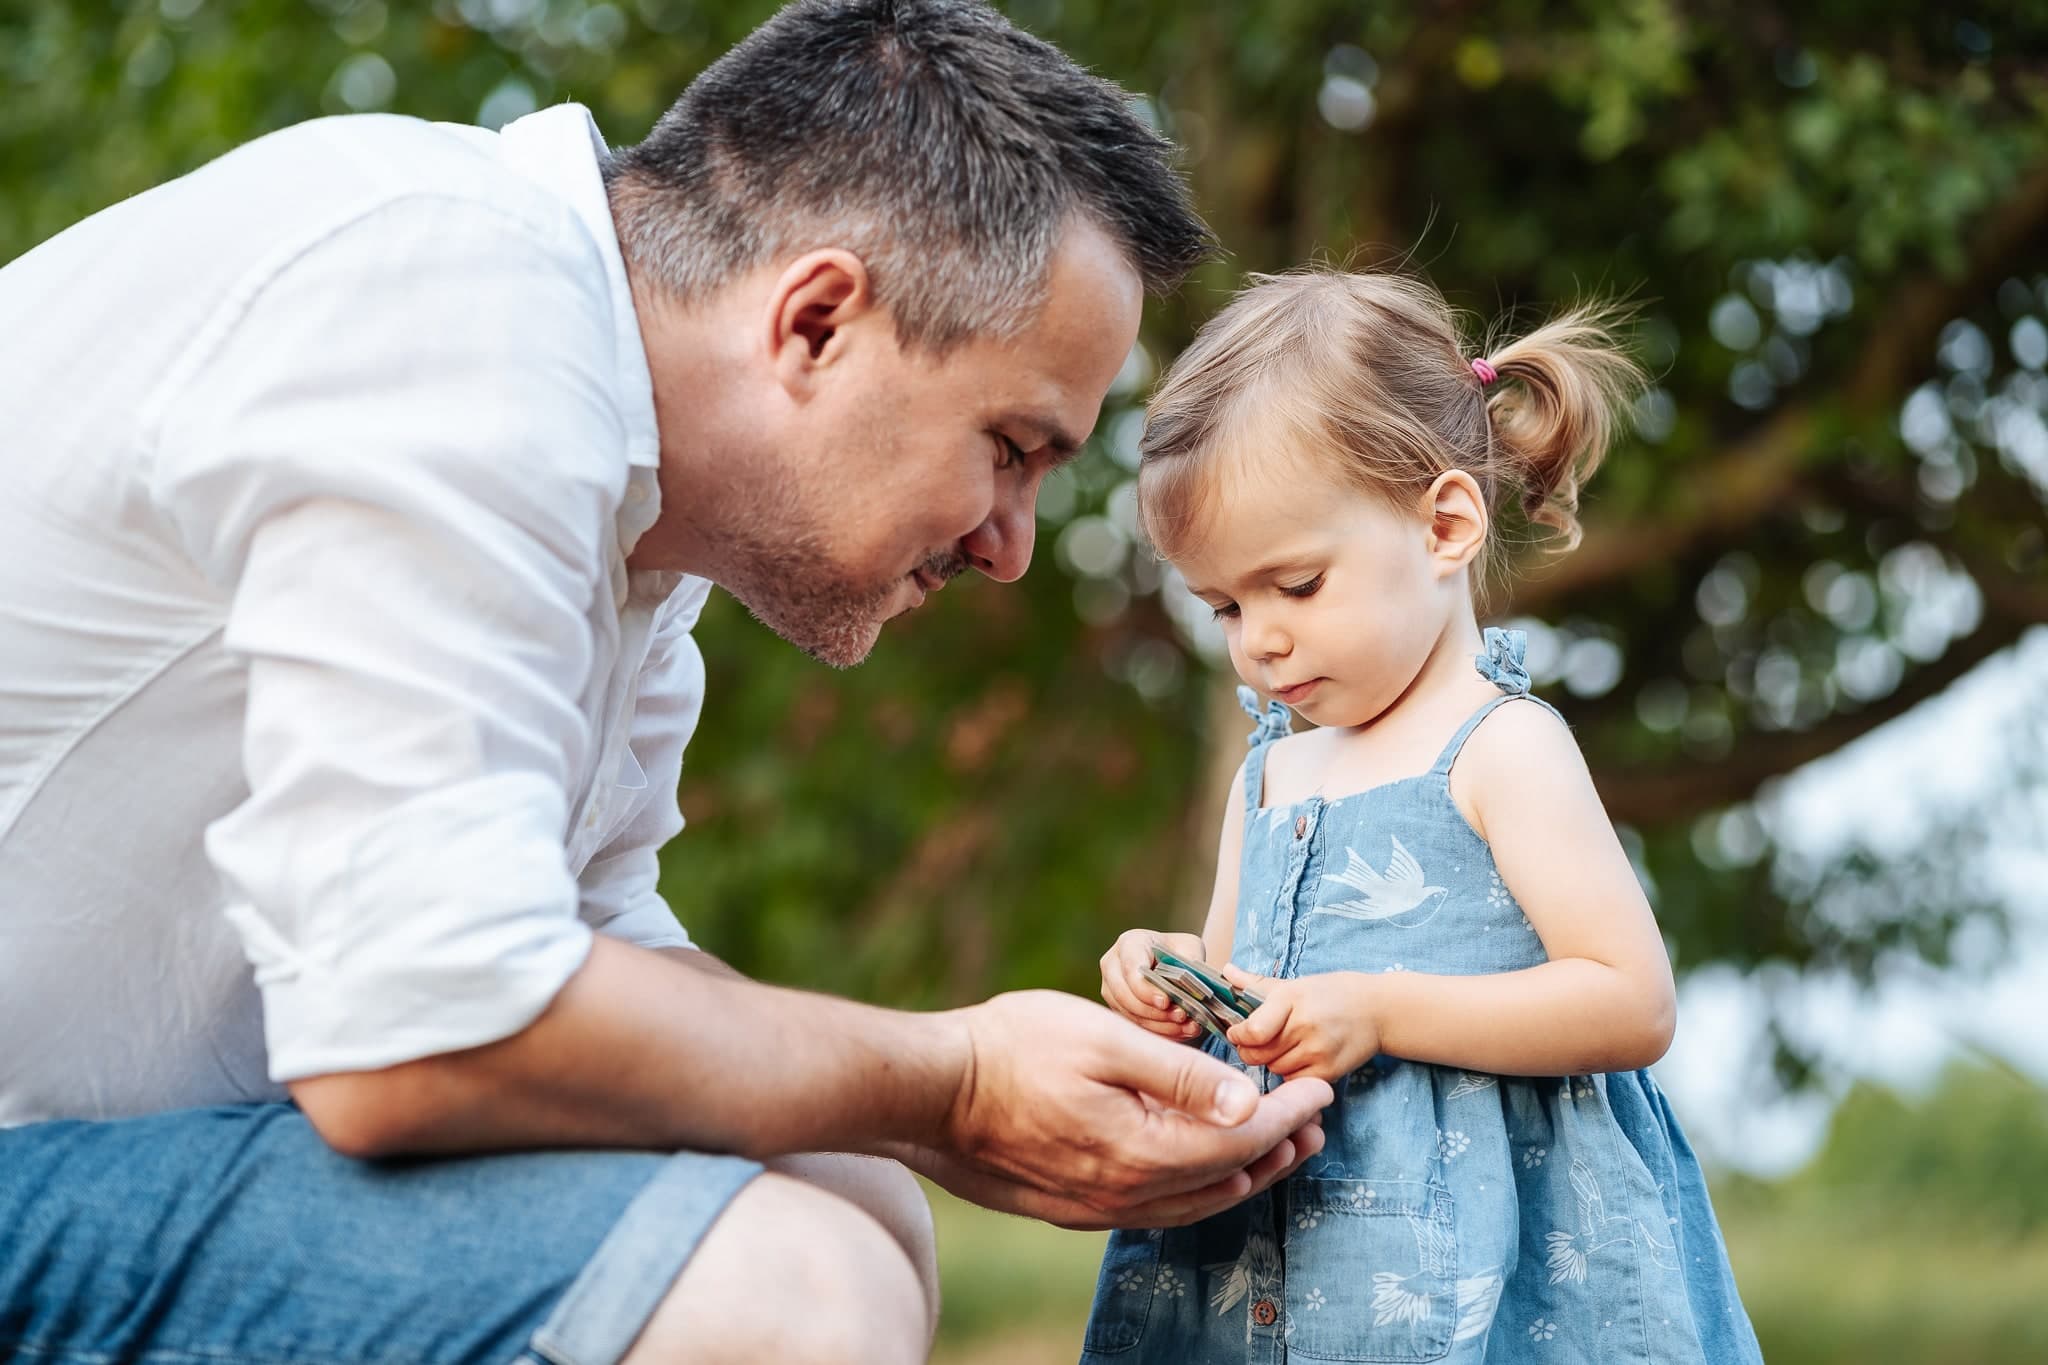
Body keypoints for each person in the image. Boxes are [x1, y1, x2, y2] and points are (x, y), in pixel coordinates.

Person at [0, 3, 1334, 1363]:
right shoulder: (453, 319)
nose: (1009, 546)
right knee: (785, 1292)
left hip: (108, 1156)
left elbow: (588, 942)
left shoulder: (626, 505)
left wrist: (932, 1102)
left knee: (850, 1183)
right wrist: (956, 1082)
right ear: (817, 321)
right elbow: (419, 1025)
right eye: (1009, 447)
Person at [1089, 269, 1764, 1362]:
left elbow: (1627, 1001)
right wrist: (1173, 977)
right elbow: (1241, 978)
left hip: (1485, 1267)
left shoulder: (1500, 747)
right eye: (1222, 605)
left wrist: (1384, 1011)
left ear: (1443, 524)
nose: (1255, 639)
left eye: (1294, 586)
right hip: (1273, 1258)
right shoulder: (1267, 775)